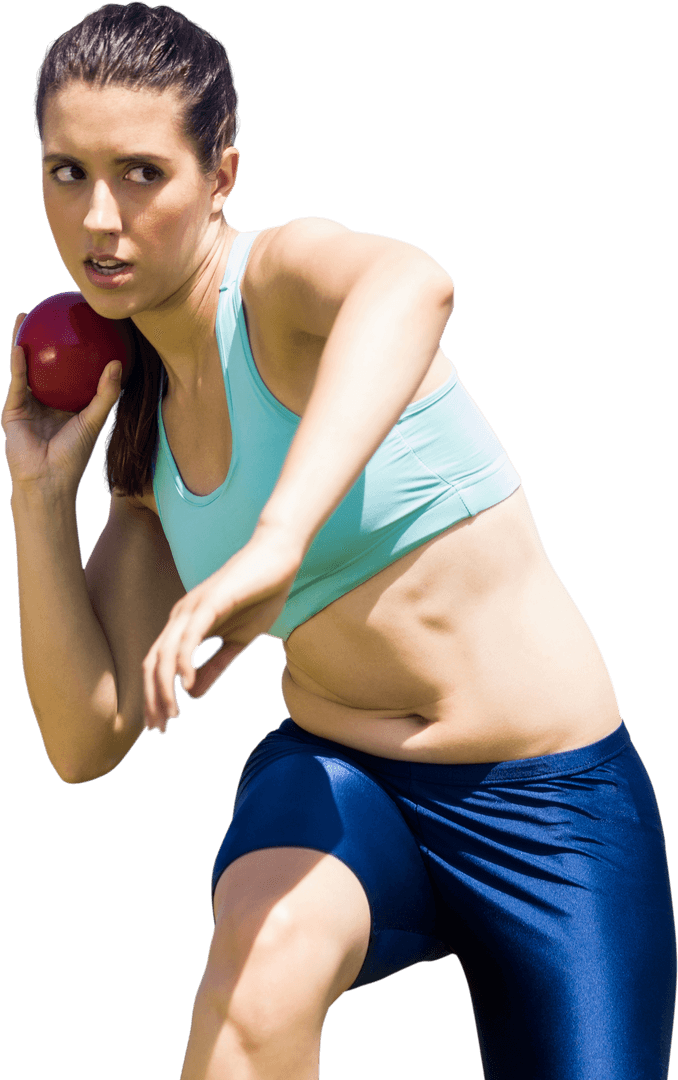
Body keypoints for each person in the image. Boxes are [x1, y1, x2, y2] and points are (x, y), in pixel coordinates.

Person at [2, 3, 675, 1078]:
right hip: (345, 780)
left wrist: (275, 544)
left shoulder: (280, 284)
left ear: (220, 176)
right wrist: (39, 500)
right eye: (66, 174)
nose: (100, 220)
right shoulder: (144, 427)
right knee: (256, 974)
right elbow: (86, 742)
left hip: (552, 804)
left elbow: (415, 282)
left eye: (140, 173)